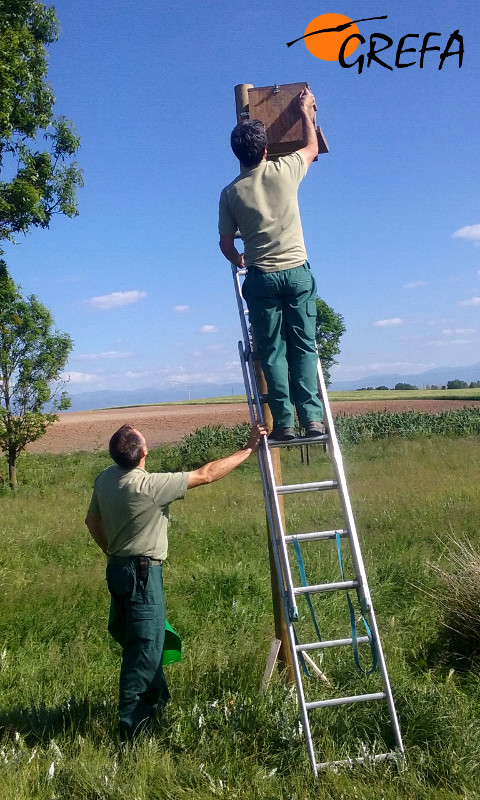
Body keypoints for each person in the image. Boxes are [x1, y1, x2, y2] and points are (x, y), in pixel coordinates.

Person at [85, 421, 266, 743]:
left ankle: (157, 707)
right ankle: (132, 734)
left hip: (118, 570)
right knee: (143, 652)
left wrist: (111, 551)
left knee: (148, 641)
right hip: (142, 575)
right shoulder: (149, 486)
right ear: (143, 453)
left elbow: (92, 521)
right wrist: (249, 448)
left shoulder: (106, 479)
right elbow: (207, 474)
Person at [218, 86, 325, 442]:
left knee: (273, 352)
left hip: (261, 278)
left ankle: (284, 424)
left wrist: (241, 258)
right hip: (296, 273)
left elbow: (225, 244)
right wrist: (305, 111)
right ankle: (311, 418)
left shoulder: (230, 193)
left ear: (237, 154)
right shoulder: (284, 170)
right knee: (303, 346)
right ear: (265, 150)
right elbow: (310, 147)